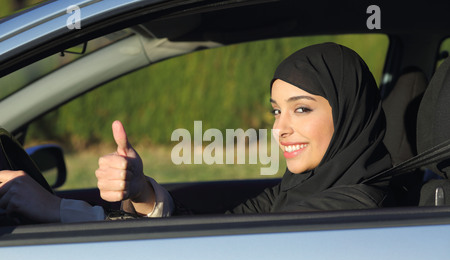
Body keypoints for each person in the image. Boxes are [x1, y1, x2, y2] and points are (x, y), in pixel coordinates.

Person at [0, 43, 392, 223]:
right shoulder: (302, 187)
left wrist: (57, 210)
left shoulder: (348, 210)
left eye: (301, 109)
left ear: (349, 114)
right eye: (275, 111)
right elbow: (213, 224)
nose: (280, 128)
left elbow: (218, 253)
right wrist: (143, 193)